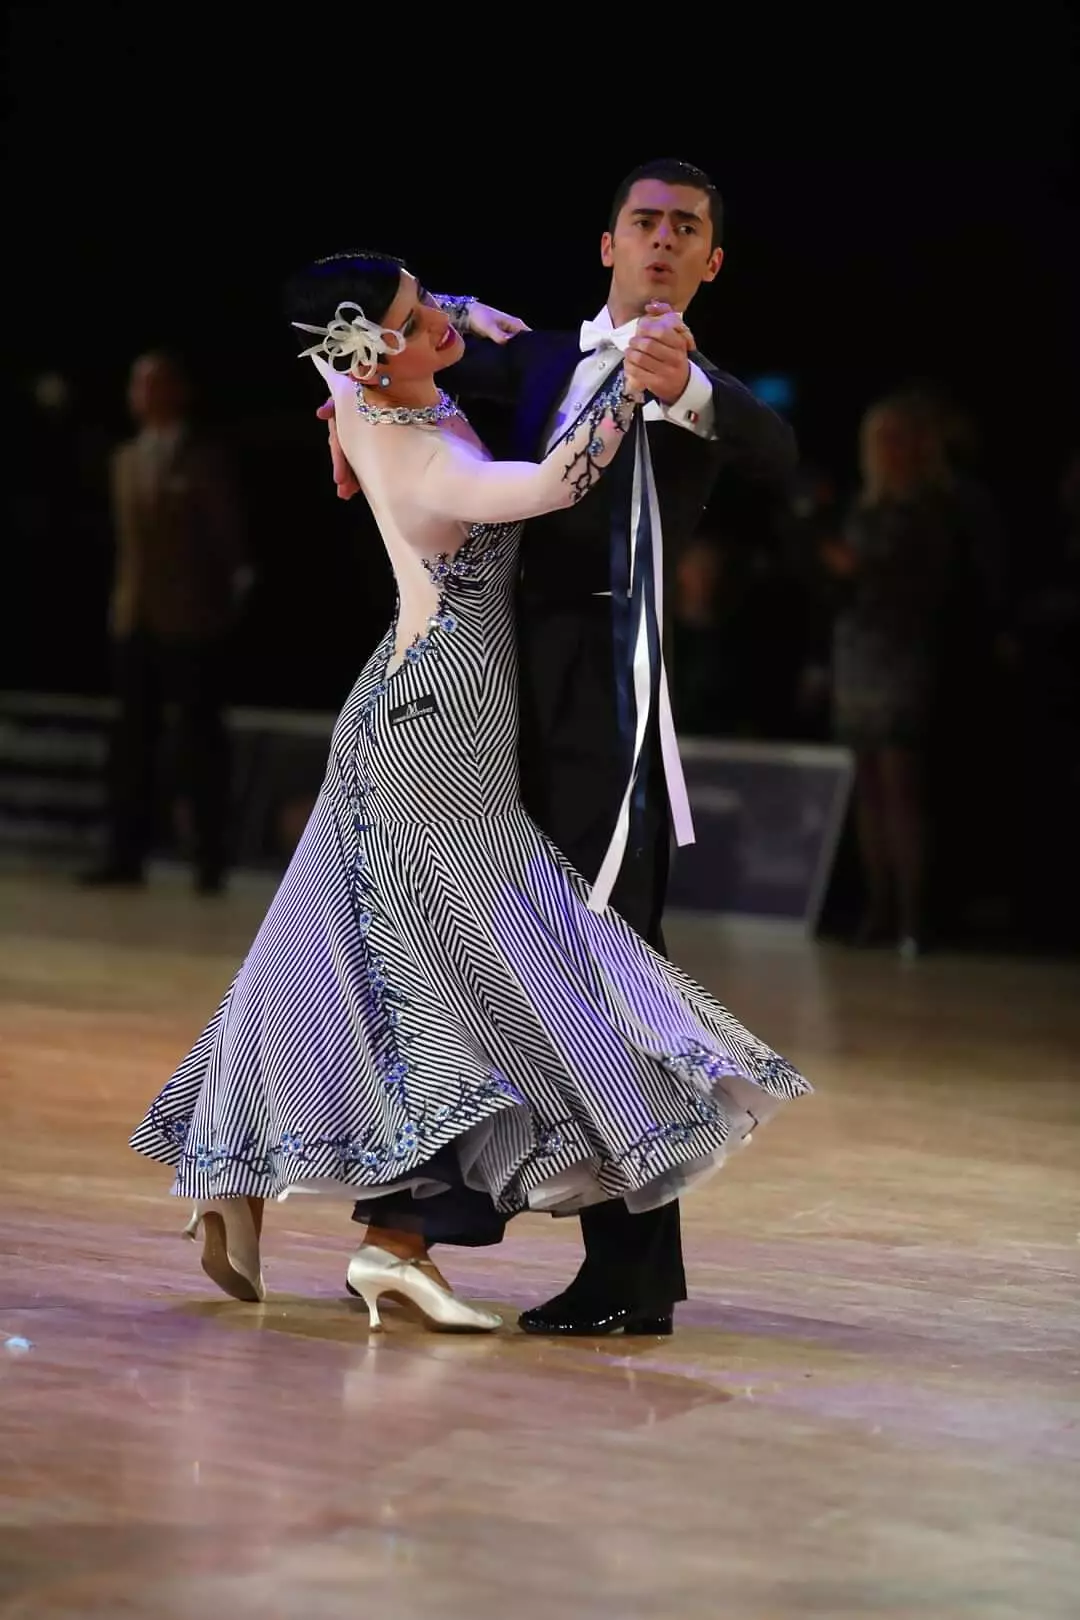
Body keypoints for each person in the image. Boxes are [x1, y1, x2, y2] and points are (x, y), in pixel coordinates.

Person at [129, 251, 810, 1335]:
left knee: (333, 961)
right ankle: (386, 1238)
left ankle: (254, 1184)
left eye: (431, 302)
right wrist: (632, 387)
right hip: (439, 727)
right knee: (467, 973)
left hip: (411, 706)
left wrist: (452, 317)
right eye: (418, 318)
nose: (443, 321)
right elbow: (555, 485)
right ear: (374, 351)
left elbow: (382, 351)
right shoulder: (414, 457)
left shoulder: (361, 391)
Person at [322, 159, 800, 1335]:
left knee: (604, 963)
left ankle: (630, 1271)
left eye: (686, 230)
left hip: (608, 697)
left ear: (710, 262)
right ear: (607, 244)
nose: (662, 242)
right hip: (487, 686)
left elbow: (777, 456)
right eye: (645, 223)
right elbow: (382, 352)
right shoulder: (533, 359)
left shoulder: (702, 386)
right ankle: (414, 1218)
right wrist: (335, 415)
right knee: (463, 952)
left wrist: (686, 390)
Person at [85, 351, 250, 893]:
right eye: (138, 385)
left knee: (199, 741)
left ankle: (208, 860)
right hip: (137, 619)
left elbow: (230, 545)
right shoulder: (125, 458)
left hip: (193, 622)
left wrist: (222, 607)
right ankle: (124, 855)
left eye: (155, 384)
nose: (144, 395)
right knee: (131, 742)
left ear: (179, 392)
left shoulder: (203, 458)